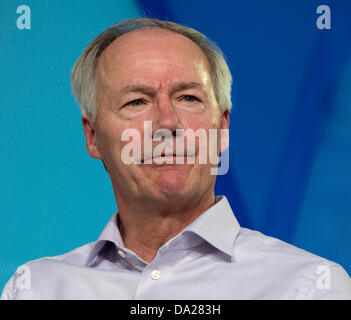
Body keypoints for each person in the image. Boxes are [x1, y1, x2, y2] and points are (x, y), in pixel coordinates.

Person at [1, 18, 351, 300]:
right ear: (93, 136)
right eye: (136, 102)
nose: (167, 122)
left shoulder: (311, 287)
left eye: (187, 98)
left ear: (223, 127)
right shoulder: (34, 289)